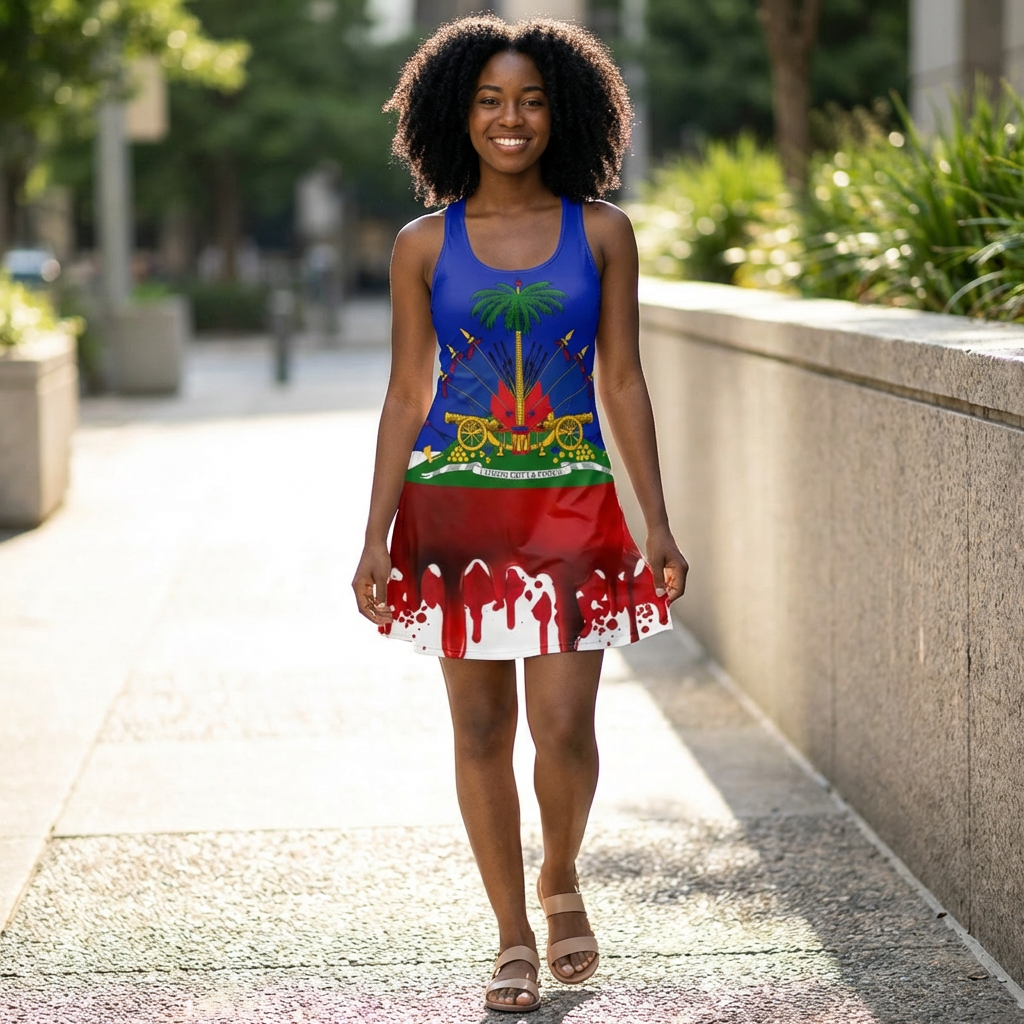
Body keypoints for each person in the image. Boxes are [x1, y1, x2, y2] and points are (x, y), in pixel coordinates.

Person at [352, 15, 688, 1013]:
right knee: (480, 724)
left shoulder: (601, 233)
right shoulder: (421, 246)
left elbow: (621, 381)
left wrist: (655, 522)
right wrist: (374, 534)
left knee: (565, 727)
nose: (512, 118)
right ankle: (510, 933)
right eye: (492, 100)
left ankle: (559, 876)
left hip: (575, 512)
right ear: (459, 114)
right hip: (454, 514)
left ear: (564, 113)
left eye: (533, 100)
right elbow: (407, 390)